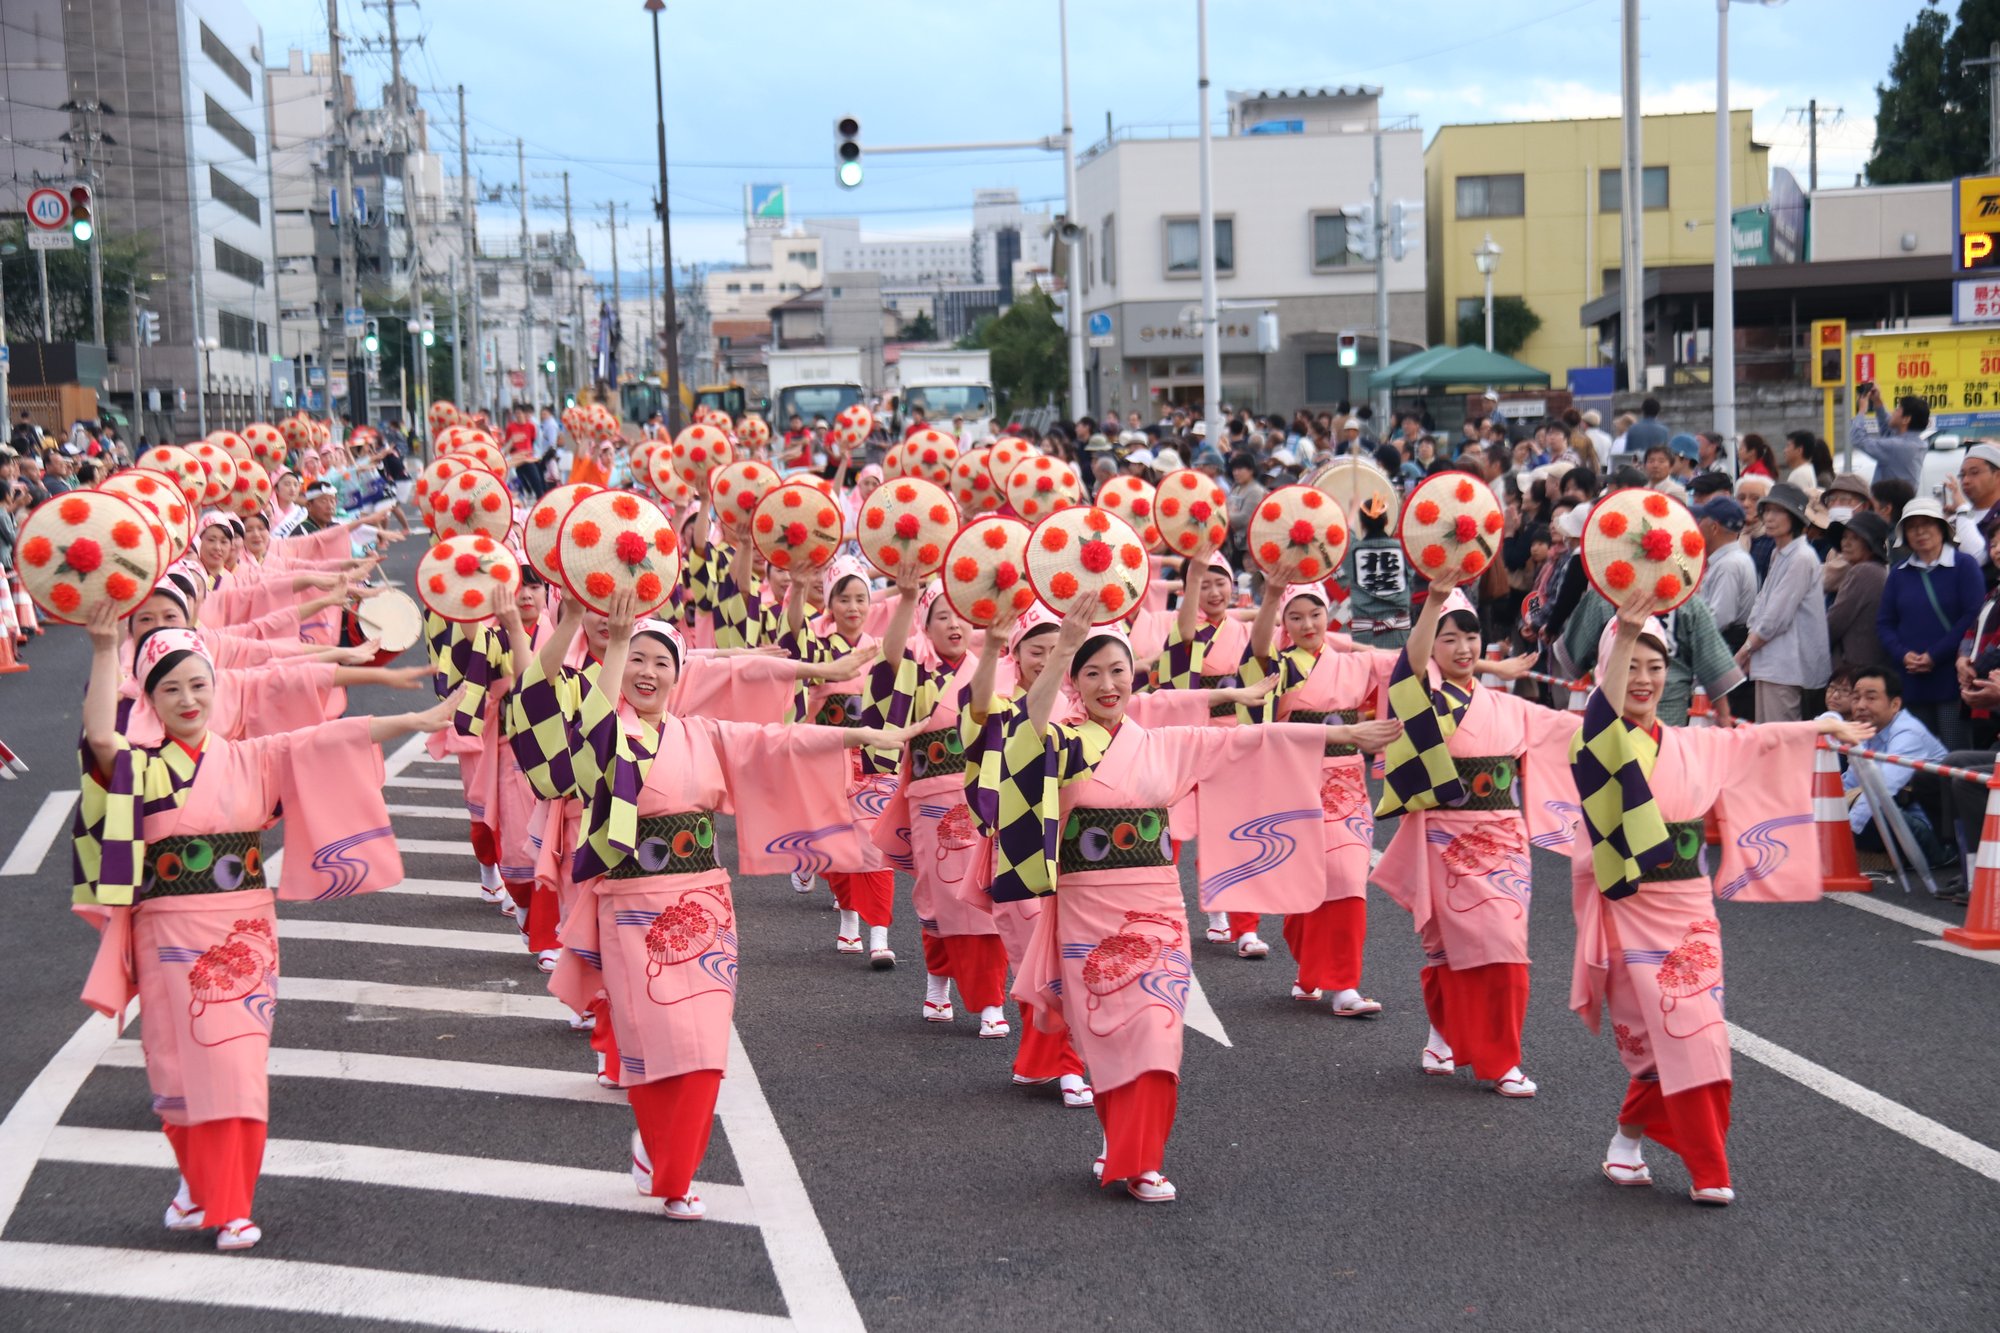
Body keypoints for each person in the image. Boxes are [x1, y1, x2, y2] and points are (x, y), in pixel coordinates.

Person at [974, 594, 1397, 1201]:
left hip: (1157, 905)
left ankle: (1139, 1159)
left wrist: (1346, 733)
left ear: (1133, 676)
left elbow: (1255, 743)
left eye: (1117, 670)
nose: (1107, 683)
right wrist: (1065, 645)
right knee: (1106, 1033)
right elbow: (1022, 747)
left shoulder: (1164, 745)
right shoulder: (1063, 741)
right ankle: (1120, 1144)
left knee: (1157, 1031)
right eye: (1091, 673)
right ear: (1073, 682)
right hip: (1086, 905)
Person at [74, 603, 457, 1251]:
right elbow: (101, 744)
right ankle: (199, 1188)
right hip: (164, 932)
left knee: (235, 1066)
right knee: (176, 1069)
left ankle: (231, 1205)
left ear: (217, 689)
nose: (188, 698)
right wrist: (106, 646)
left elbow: (331, 739)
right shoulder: (139, 768)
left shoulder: (251, 756)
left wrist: (415, 720)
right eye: (170, 688)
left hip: (244, 927)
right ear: (148, 699)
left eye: (199, 683)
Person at [541, 591, 914, 1220]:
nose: (648, 672)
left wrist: (858, 733)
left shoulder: (703, 733)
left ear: (680, 676)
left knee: (705, 1046)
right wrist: (612, 639)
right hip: (631, 904)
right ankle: (665, 1160)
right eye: (636, 659)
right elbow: (596, 735)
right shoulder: (601, 730)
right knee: (653, 1040)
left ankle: (673, 1169)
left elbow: (779, 742)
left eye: (662, 661)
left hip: (703, 898)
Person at [1570, 598, 1869, 1206]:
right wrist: (1625, 631)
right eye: (1630, 667)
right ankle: (1635, 1145)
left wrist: (1818, 728)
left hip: (1689, 909)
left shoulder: (1692, 744)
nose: (1644, 680)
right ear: (1608, 674)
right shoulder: (1600, 742)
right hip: (1630, 908)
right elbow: (1601, 715)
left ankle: (1694, 1162)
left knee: (1697, 1033)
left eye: (1655, 668)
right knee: (1658, 1040)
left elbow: (1754, 741)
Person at [1373, 567, 1581, 1098]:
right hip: (1446, 837)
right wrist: (1435, 600)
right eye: (1450, 638)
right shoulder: (1427, 697)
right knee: (1448, 947)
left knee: (1506, 946)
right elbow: (1409, 670)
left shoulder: (1509, 706)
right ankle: (1442, 1032)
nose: (1463, 648)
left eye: (1471, 637)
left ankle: (1502, 1059)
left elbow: (1580, 734)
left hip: (1505, 839)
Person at [1877, 497, 1983, 751]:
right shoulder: (1899, 573)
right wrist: (1903, 655)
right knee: (1917, 758)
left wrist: (1935, 655)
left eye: (1927, 524)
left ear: (1941, 528)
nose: (1920, 531)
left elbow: (1972, 617)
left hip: (1952, 678)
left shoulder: (1964, 565)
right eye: (1912, 526)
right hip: (1911, 680)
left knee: (1953, 753)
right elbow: (1885, 622)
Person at [1843, 666, 1954, 870]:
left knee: (1873, 807)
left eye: (1871, 698)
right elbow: (1849, 785)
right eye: (1856, 698)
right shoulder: (1867, 731)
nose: (1860, 706)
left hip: (1931, 834)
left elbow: (1882, 790)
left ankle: (1938, 857)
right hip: (1901, 822)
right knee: (1833, 800)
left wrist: (1841, 831)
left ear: (1895, 704)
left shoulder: (1908, 733)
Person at [1735, 484, 1828, 723]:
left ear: (1795, 519)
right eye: (1767, 511)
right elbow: (1762, 602)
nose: (1769, 517)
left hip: (1788, 666)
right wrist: (1750, 645)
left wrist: (1746, 650)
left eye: (1779, 511)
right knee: (1766, 740)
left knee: (1782, 742)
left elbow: (1777, 616)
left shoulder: (1801, 557)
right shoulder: (1779, 552)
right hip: (1769, 661)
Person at [1826, 512, 1891, 677]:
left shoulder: (1863, 571)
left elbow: (1835, 622)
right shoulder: (1878, 571)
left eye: (1855, 538)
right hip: (1872, 665)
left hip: (1856, 666)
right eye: (1845, 537)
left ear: (1870, 545)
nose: (1846, 543)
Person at [1692, 498, 1755, 651]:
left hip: (1723, 647)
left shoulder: (1729, 564)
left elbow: (1719, 619)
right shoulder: (1732, 558)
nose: (1697, 526)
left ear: (1714, 528)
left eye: (1701, 520)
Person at [1848, 385, 1930, 489]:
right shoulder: (1916, 443)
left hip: (1889, 503)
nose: (1893, 412)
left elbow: (1858, 439)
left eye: (1897, 410)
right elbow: (1888, 429)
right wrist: (1877, 401)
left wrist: (1862, 410)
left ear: (1906, 419)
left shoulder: (1898, 446)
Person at [1946, 442, 2000, 564]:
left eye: (1974, 473)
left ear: (1997, 475)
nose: (1965, 481)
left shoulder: (1964, 512)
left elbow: (1976, 558)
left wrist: (1962, 507)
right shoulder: (1959, 517)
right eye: (1962, 475)